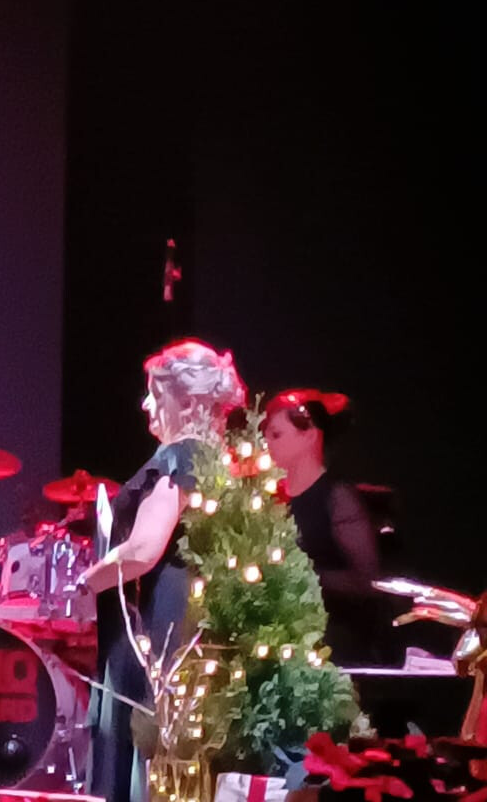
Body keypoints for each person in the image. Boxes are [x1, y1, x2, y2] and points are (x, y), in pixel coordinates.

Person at [77, 340, 244, 802]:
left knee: (146, 757)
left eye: (155, 393)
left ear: (186, 402)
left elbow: (144, 550)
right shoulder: (223, 462)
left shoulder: (180, 457)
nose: (145, 405)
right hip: (193, 627)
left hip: (158, 627)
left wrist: (84, 584)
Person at [264, 388, 383, 663]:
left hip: (333, 639)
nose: (267, 443)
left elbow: (366, 580)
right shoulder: (269, 498)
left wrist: (300, 573)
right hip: (279, 637)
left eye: (276, 434)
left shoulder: (337, 497)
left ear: (309, 435)